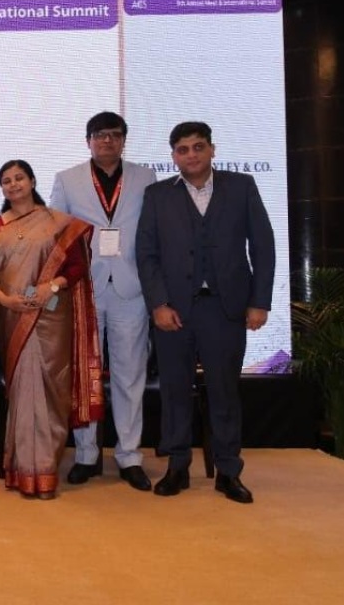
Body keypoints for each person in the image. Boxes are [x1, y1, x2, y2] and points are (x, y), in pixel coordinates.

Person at [136, 122, 275, 504]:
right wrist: (158, 304)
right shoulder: (157, 195)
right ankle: (177, 466)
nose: (191, 155)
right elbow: (146, 255)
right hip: (173, 311)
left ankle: (228, 471)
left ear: (212, 150)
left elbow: (263, 246)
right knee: (175, 391)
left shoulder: (241, 187)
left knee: (224, 392)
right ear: (173, 157)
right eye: (182, 149)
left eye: (198, 147)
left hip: (225, 308)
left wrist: (259, 301)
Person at [0, 160, 102, 499]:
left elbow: (77, 266)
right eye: (6, 180)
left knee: (50, 388)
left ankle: (45, 471)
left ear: (32, 181)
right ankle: (21, 470)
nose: (13, 184)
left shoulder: (58, 222)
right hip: (10, 313)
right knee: (21, 392)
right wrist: (5, 300)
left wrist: (52, 287)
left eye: (19, 178)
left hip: (51, 312)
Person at [50, 111, 157, 491]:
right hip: (85, 289)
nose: (106, 141)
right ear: (88, 141)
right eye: (99, 135)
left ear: (124, 140)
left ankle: (129, 456)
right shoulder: (67, 179)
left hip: (131, 288)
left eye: (114, 134)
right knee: (86, 374)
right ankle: (86, 454)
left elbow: (152, 231)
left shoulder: (145, 177)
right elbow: (57, 236)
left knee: (130, 376)